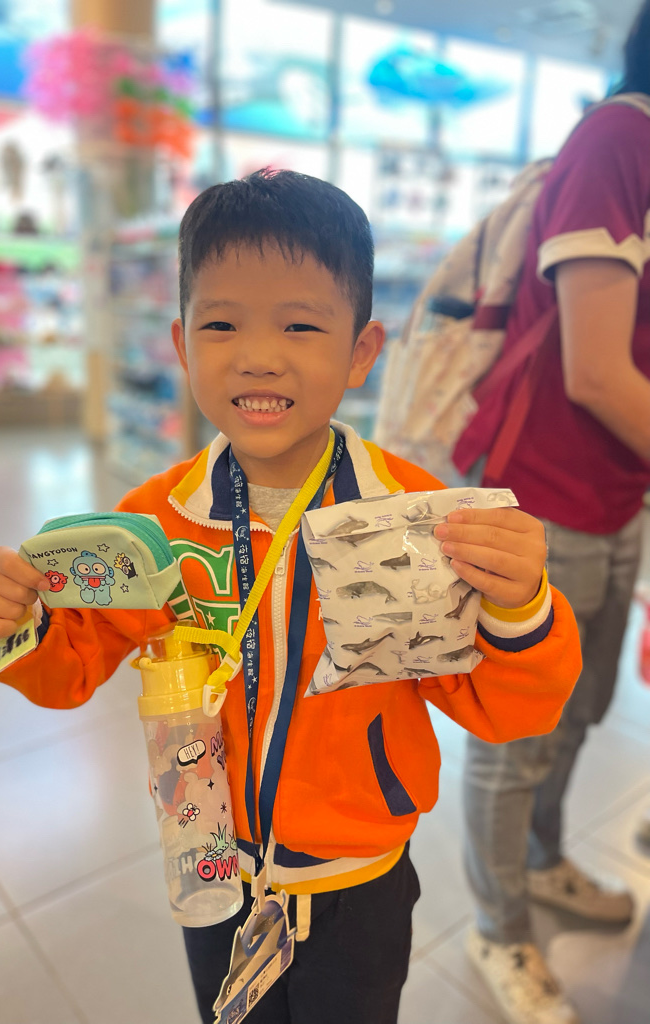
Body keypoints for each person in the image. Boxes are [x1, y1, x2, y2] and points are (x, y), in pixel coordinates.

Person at [0, 169, 581, 1024]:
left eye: (300, 324)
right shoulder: (154, 524)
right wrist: (17, 623)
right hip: (210, 862)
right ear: (182, 345)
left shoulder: (414, 520)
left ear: (361, 351)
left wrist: (520, 609)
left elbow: (508, 710)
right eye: (221, 324)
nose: (257, 354)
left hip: (358, 881)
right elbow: (70, 665)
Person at [459, 5, 650, 1023]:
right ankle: (499, 929)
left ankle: (538, 863)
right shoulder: (622, 138)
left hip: (614, 494)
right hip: (539, 502)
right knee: (516, 730)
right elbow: (596, 372)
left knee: (578, 710)